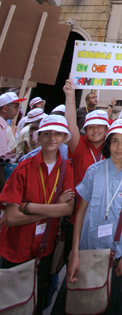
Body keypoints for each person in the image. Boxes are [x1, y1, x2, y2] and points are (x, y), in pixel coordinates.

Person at [68, 119, 122, 315]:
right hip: (87, 250)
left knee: (111, 305)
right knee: (84, 304)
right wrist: (75, 253)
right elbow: (80, 213)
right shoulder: (93, 171)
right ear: (108, 143)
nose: (119, 147)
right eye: (115, 141)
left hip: (115, 252)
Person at [0, 114, 75, 314]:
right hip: (16, 250)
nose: (52, 138)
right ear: (38, 137)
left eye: (58, 134)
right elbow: (10, 218)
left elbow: (67, 208)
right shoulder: (23, 168)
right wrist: (53, 209)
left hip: (44, 250)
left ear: (64, 138)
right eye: (47, 133)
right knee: (9, 305)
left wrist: (30, 207)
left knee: (36, 304)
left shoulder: (67, 168)